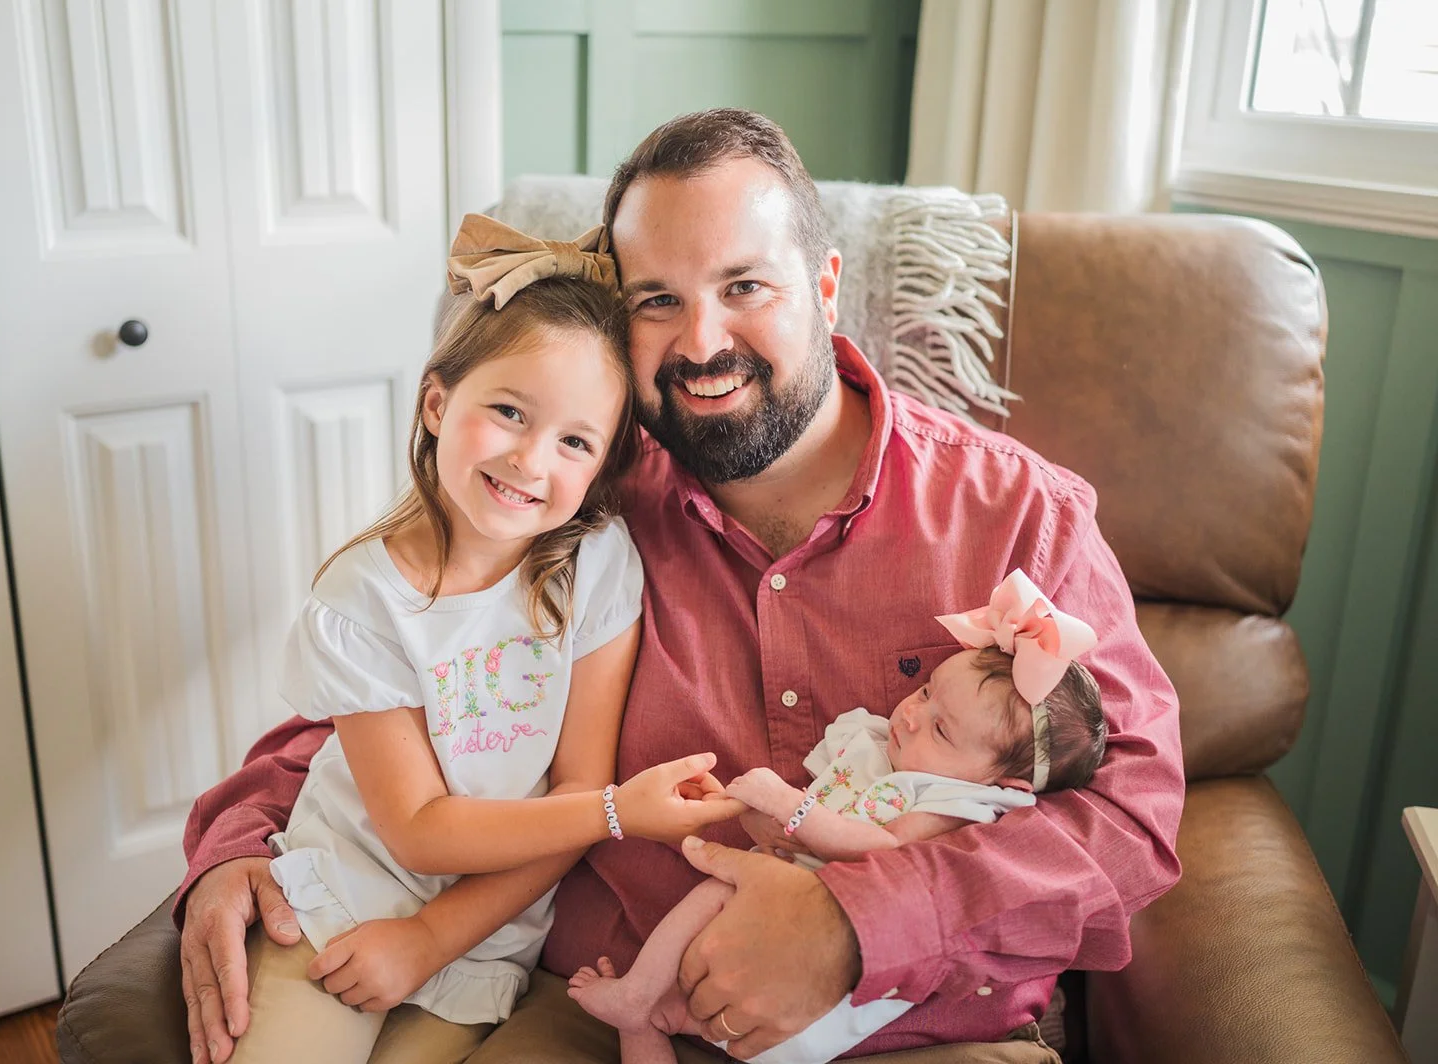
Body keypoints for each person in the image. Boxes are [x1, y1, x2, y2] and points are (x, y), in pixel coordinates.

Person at [178, 109, 1183, 1064]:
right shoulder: (577, 501)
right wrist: (236, 846)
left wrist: (856, 924)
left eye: (745, 285)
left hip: (915, 1028)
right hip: (604, 1007)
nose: (701, 343)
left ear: (826, 285)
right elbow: (396, 688)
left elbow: (1131, 818)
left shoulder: (1018, 512)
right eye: (657, 300)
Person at [223, 214, 745, 1063]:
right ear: (437, 403)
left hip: (483, 936)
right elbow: (418, 828)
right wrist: (618, 812)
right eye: (508, 411)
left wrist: (433, 939)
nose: (531, 461)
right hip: (339, 906)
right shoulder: (362, 599)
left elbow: (573, 793)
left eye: (574, 441)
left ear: (602, 465)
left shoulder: (597, 567)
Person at [566, 570, 1107, 1064]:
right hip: (758, 931)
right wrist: (748, 810)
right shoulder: (877, 746)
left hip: (824, 989)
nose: (912, 715)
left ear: (1002, 784)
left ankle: (637, 996)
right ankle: (641, 1020)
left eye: (942, 729)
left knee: (716, 891)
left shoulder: (952, 801)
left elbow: (884, 849)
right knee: (675, 996)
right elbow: (810, 815)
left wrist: (789, 805)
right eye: (925, 691)